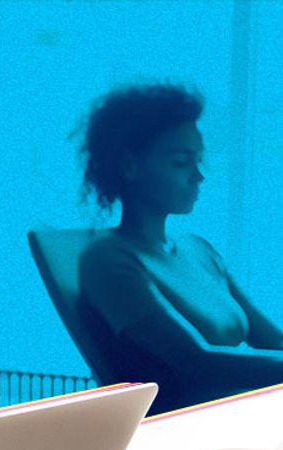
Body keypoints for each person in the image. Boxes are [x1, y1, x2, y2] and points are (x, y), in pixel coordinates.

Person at [76, 84, 283, 414]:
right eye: (181, 162)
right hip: (185, 435)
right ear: (130, 166)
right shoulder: (108, 261)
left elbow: (272, 339)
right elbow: (199, 362)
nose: (199, 176)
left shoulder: (199, 250)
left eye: (199, 161)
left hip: (236, 420)